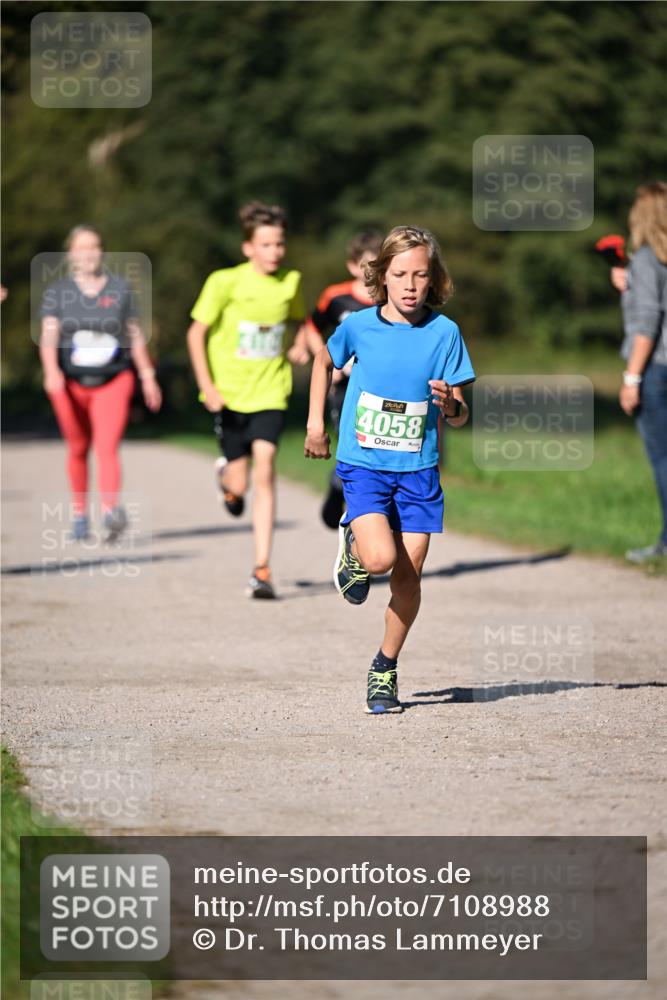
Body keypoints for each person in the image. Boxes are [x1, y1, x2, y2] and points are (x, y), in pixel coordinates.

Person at [304, 226, 476, 714]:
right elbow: (322, 359)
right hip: (365, 464)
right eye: (400, 273)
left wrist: (451, 406)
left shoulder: (445, 333)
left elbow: (461, 410)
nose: (409, 284)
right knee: (380, 560)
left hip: (419, 471)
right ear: (381, 276)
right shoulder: (359, 325)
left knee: (409, 576)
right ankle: (355, 543)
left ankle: (384, 667)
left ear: (433, 279)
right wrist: (317, 424)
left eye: (420, 275)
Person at [186, 201, 306, 599]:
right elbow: (195, 334)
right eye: (267, 244)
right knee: (239, 480)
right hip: (229, 395)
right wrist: (209, 386)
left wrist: (302, 344)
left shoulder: (291, 281)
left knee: (266, 467)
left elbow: (300, 321)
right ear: (248, 248)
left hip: (271, 390)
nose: (276, 252)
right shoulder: (225, 282)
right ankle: (227, 482)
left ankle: (262, 568)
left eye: (280, 244)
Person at [40, 225, 161, 543]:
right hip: (70, 383)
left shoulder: (120, 289)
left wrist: (147, 376)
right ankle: (80, 516)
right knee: (78, 447)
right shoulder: (58, 292)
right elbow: (49, 336)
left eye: (94, 246)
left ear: (103, 251)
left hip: (114, 379)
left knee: (107, 447)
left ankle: (109, 511)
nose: (89, 253)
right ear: (70, 254)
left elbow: (134, 335)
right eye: (82, 247)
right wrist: (51, 372)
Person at [299, 229, 384, 528]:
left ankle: (344, 490)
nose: (374, 272)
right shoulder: (336, 298)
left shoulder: (392, 302)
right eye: (368, 265)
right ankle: (353, 518)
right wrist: (329, 363)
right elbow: (310, 327)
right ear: (352, 266)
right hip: (345, 389)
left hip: (381, 393)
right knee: (355, 447)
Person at [616, 181, 667, 563]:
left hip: (656, 369)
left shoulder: (649, 258)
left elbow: (647, 323)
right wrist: (628, 284)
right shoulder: (650, 263)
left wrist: (632, 378)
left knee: (663, 459)